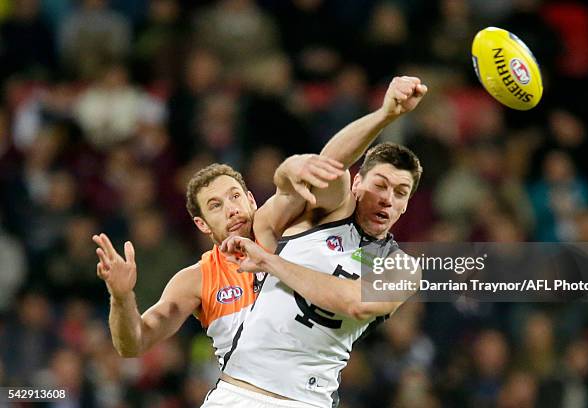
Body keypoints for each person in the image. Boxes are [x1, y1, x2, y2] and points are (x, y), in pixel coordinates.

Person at [92, 75, 424, 368]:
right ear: (202, 224)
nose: (232, 209)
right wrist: (121, 297)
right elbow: (132, 344)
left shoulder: (279, 226)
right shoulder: (198, 279)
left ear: (252, 199)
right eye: (216, 205)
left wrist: (290, 168)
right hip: (240, 392)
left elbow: (323, 169)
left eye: (236, 197)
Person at [203, 77, 428, 408]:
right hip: (238, 393)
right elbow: (328, 165)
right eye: (380, 185)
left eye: (400, 193)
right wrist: (386, 114)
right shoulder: (326, 212)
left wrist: (270, 262)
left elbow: (357, 303)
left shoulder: (403, 268)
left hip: (306, 401)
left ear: (407, 204)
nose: (387, 200)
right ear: (358, 183)